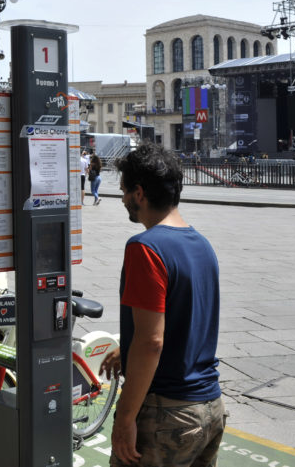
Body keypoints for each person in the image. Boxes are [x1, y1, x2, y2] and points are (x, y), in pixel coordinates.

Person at [100, 142, 225, 467]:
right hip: (209, 406)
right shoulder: (202, 244)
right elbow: (182, 322)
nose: (123, 198)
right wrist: (127, 351)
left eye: (125, 190)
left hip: (166, 414)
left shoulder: (145, 248)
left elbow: (151, 341)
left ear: (139, 193)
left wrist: (125, 417)